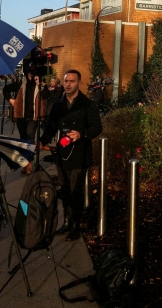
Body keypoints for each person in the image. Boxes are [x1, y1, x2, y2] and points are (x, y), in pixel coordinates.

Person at [40, 69, 102, 241]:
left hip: (79, 153)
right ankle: (67, 221)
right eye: (66, 81)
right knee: (65, 189)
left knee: (76, 190)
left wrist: (81, 134)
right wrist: (41, 141)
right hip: (62, 152)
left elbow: (97, 127)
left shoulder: (87, 104)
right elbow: (51, 126)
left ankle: (75, 224)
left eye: (72, 81)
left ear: (79, 83)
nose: (68, 84)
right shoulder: (58, 104)